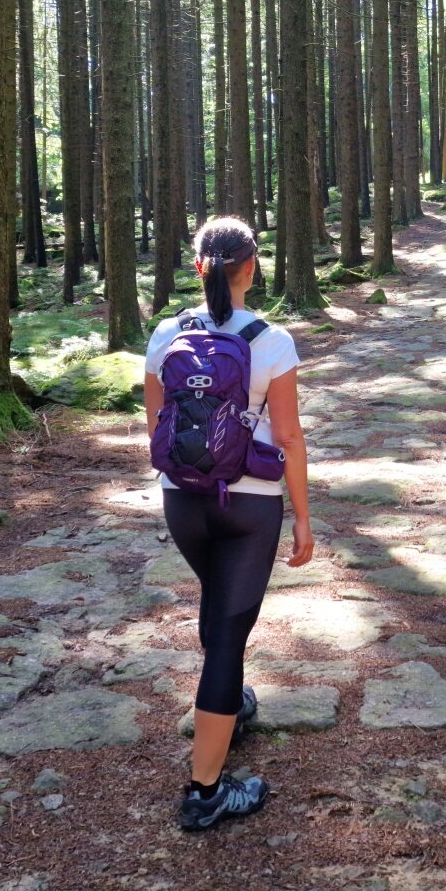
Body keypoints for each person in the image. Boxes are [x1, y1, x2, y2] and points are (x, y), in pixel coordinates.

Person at [143, 216, 314, 831]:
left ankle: (231, 706)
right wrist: (301, 518)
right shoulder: (272, 340)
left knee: (219, 609)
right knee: (228, 634)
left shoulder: (166, 333)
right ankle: (206, 791)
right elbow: (289, 438)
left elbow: (156, 424)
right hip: (250, 505)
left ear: (199, 268)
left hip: (182, 499)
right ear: (252, 268)